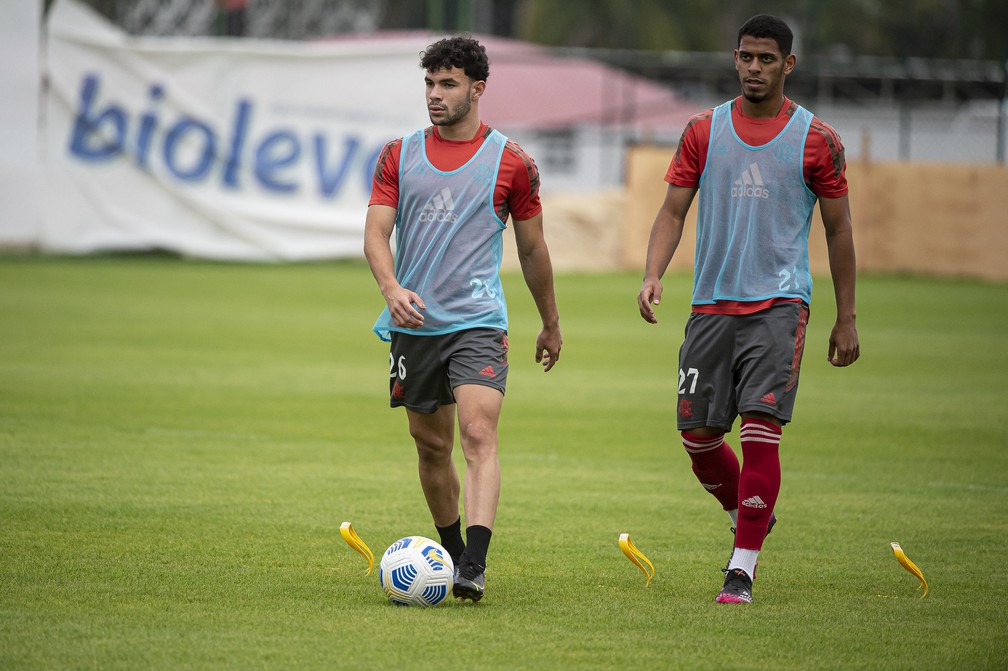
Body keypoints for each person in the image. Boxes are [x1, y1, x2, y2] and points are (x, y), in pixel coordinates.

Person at [636, 14, 860, 604]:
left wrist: (846, 316)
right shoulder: (703, 130)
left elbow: (839, 232)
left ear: (788, 65)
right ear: (735, 59)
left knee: (762, 429)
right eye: (745, 57)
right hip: (711, 307)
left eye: (766, 59)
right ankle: (750, 512)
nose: (754, 68)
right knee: (700, 439)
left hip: (780, 306)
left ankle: (743, 566)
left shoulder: (818, 141)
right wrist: (653, 273)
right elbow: (672, 211)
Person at [364, 36, 562, 602]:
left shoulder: (513, 162)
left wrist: (549, 321)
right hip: (414, 324)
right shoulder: (397, 154)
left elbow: (532, 250)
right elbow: (376, 232)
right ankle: (450, 555)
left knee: (478, 432)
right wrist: (391, 287)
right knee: (431, 447)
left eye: (447, 84)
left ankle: (473, 565)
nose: (434, 94)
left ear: (477, 89)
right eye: (429, 83)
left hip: (478, 320)